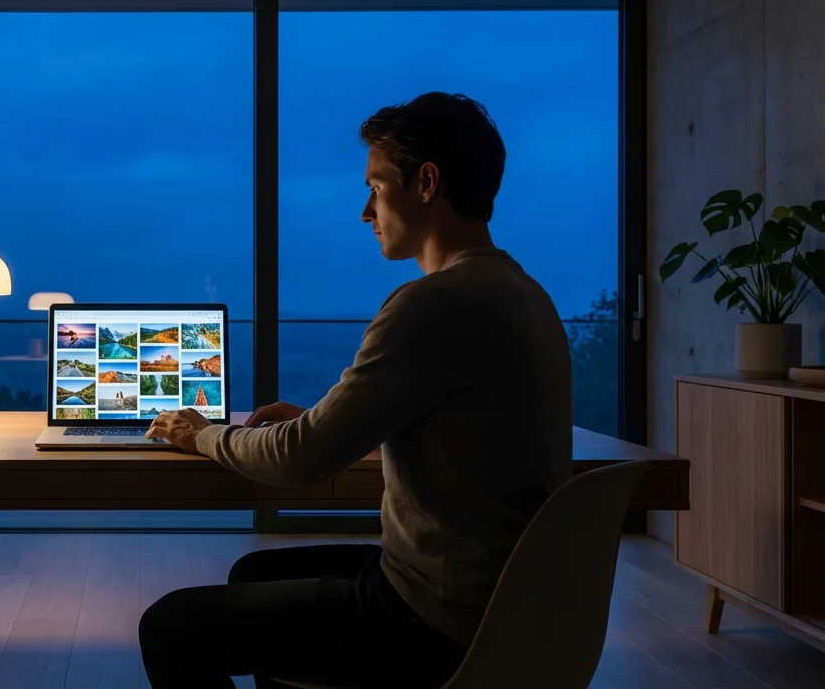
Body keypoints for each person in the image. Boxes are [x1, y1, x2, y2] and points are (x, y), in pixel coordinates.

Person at [140, 92, 573, 689]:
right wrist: (333, 421)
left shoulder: (434, 303)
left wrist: (206, 435)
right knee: (253, 572)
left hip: (436, 619)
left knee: (169, 627)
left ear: (425, 183)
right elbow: (456, 432)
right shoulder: (524, 293)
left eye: (375, 187)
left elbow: (302, 458)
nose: (366, 212)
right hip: (508, 600)